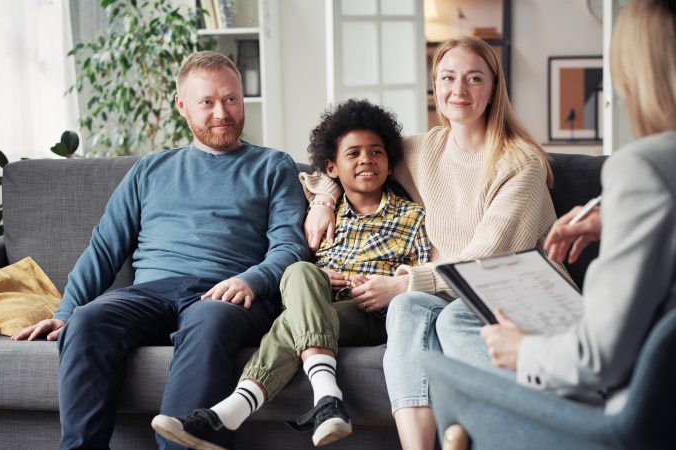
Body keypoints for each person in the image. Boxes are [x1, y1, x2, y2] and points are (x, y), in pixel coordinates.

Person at [11, 51, 309, 450]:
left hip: (226, 294)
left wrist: (250, 280)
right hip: (151, 292)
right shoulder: (150, 171)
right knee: (87, 321)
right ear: (182, 106)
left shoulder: (273, 166)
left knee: (209, 320)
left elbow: (290, 245)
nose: (222, 112)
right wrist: (66, 313)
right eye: (207, 102)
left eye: (232, 99)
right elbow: (103, 249)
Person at [302, 37, 566, 449]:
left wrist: (406, 281)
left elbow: (485, 257)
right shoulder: (424, 150)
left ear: (493, 89)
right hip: (454, 291)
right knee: (407, 308)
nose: (459, 90)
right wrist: (324, 199)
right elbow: (346, 163)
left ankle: (535, 419)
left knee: (440, 313)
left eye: (473, 79)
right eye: (448, 78)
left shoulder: (520, 163)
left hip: (515, 289)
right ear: (435, 86)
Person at [150, 98, 431, 450]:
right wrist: (323, 267)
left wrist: (389, 285)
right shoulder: (318, 209)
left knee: (291, 322)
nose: (365, 160)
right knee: (300, 270)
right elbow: (297, 239)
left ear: (390, 164)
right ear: (332, 167)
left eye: (376, 153)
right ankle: (326, 399)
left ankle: (235, 410)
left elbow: (420, 276)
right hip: (320, 303)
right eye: (353, 154)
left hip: (371, 310)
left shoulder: (412, 216)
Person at [475, 0, 676, 411]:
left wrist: (523, 352)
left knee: (453, 355)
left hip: (638, 412)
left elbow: (596, 359)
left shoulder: (641, 167)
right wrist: (613, 214)